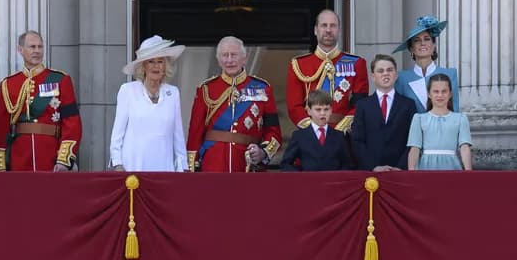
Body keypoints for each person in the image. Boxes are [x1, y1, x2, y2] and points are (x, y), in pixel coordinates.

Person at [186, 36, 283, 172]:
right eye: (225, 55)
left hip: (247, 165)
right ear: (219, 60)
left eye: (234, 55)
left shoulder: (262, 89)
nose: (229, 60)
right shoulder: (206, 89)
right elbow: (195, 134)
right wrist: (192, 169)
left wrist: (263, 152)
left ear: (244, 59)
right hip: (213, 164)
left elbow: (274, 133)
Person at [0, 31, 82, 172]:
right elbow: (1, 129)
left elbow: (72, 122)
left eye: (40, 47)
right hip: (20, 156)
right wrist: (1, 166)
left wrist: (64, 159)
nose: (37, 51)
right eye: (32, 47)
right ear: (20, 49)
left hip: (51, 154)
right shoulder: (8, 84)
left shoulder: (61, 80)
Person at [109, 35, 188, 172]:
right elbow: (117, 133)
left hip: (164, 169)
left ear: (165, 66)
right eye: (151, 61)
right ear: (143, 66)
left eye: (160, 61)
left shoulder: (172, 93)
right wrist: (118, 164)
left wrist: (182, 167)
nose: (156, 66)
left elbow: (178, 135)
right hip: (133, 168)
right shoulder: (128, 91)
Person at [286, 9, 368, 132]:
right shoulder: (299, 65)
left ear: (339, 30)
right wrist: (315, 131)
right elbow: (294, 107)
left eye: (333, 26)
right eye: (324, 25)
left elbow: (360, 104)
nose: (328, 30)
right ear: (315, 30)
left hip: (344, 135)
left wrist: (340, 130)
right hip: (311, 136)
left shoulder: (357, 63)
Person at [350, 54, 413, 171]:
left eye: (389, 70)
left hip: (399, 171)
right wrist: (372, 167)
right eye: (380, 71)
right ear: (373, 76)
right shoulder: (363, 105)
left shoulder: (408, 105)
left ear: (396, 75)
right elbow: (357, 140)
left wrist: (400, 167)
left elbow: (412, 140)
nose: (385, 73)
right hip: (371, 172)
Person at [407, 73, 473, 170]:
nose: (440, 95)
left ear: (450, 94)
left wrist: (469, 173)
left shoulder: (460, 118)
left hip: (452, 167)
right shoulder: (419, 119)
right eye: (436, 91)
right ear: (429, 94)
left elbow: (464, 147)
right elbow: (414, 149)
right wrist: (411, 173)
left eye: (444, 91)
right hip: (426, 168)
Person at [394, 15, 460, 112]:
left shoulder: (450, 74)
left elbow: (454, 110)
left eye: (427, 39)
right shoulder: (401, 78)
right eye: (417, 40)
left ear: (434, 45)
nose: (422, 43)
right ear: (411, 48)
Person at [280, 90, 354, 172]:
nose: (322, 113)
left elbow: (347, 165)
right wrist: (301, 176)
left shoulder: (339, 136)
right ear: (309, 111)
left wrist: (337, 177)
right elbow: (286, 164)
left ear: (331, 111)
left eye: (326, 109)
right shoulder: (299, 136)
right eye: (318, 109)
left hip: (333, 179)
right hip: (308, 179)